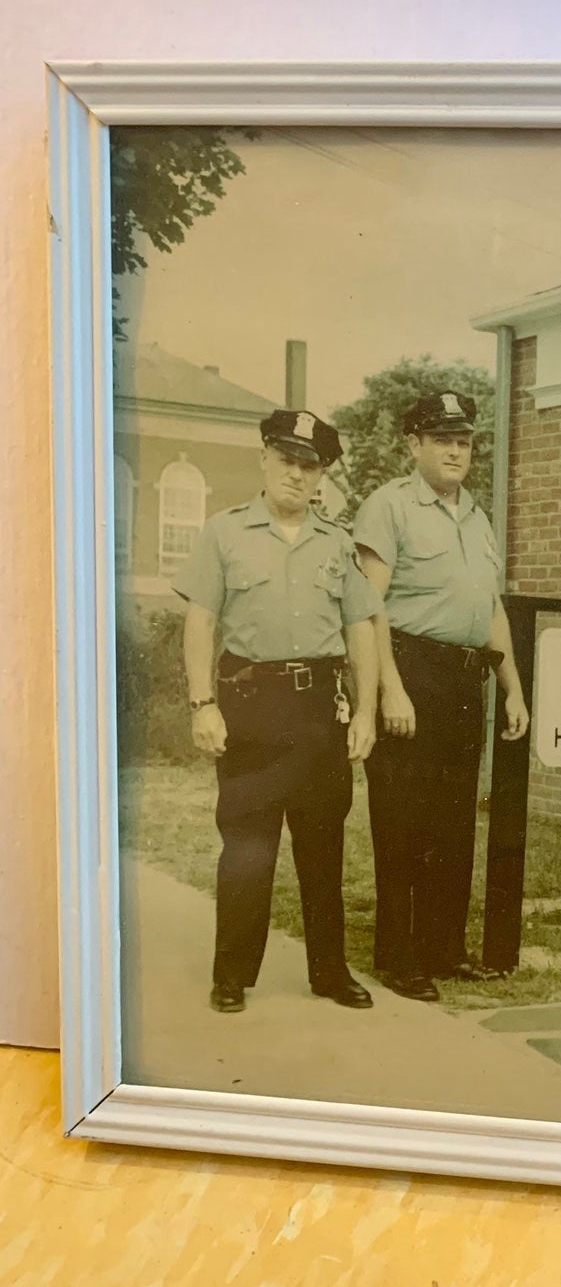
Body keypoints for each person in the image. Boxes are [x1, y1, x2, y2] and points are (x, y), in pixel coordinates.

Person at [176, 408, 380, 1015]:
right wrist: (202, 703)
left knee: (323, 846)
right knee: (246, 846)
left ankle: (329, 972)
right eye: (286, 460)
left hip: (320, 707)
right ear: (265, 459)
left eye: (309, 465)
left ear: (322, 475)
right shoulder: (225, 532)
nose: (296, 474)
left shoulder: (337, 542)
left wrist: (365, 712)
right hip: (250, 705)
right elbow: (201, 621)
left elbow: (361, 629)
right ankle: (232, 974)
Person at [352, 390, 529, 1000]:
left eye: (464, 441)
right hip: (409, 669)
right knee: (403, 823)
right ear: (414, 445)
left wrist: (512, 688)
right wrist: (390, 692)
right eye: (441, 440)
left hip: (463, 679)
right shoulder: (388, 507)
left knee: (454, 825)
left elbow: (491, 608)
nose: (456, 451)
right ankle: (398, 958)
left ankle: (444, 951)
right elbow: (366, 606)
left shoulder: (477, 517)